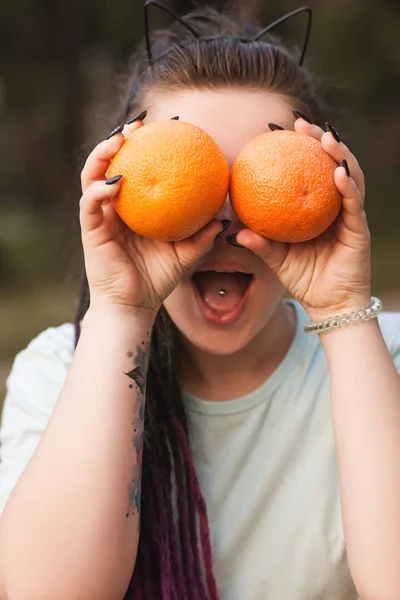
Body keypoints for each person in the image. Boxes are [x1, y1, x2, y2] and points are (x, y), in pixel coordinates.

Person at [1, 5, 400, 600]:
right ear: (120, 188)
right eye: (198, 170)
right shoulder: (58, 373)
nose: (224, 222)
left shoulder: (384, 357)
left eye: (255, 177)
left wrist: (343, 309)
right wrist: (119, 311)